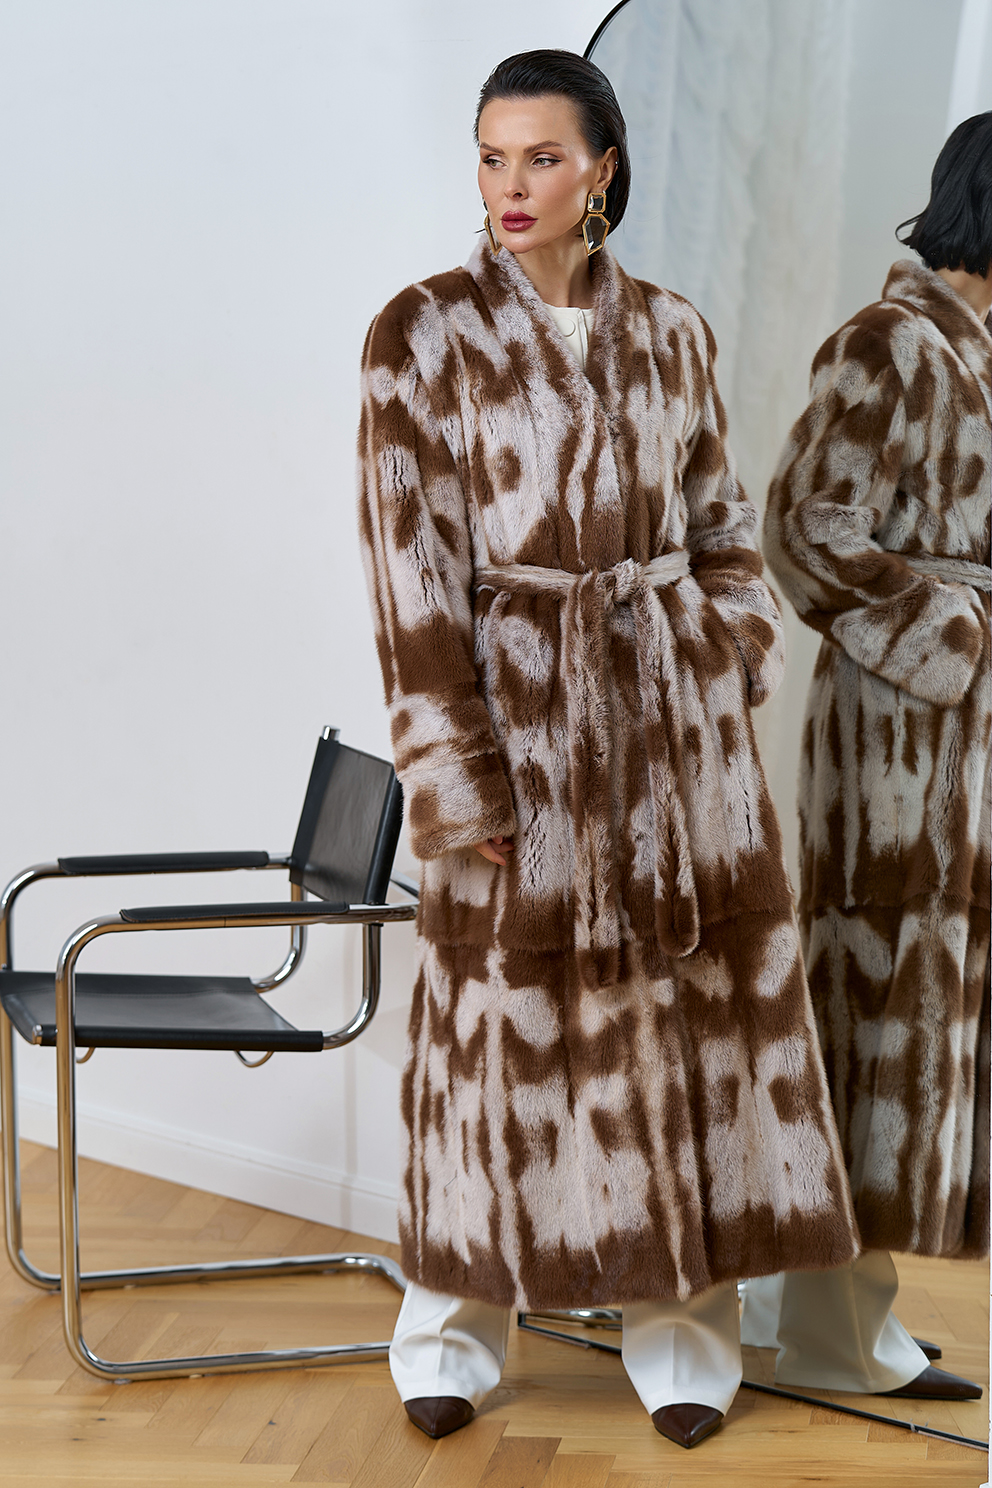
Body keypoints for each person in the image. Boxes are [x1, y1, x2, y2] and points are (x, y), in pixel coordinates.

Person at [357, 49, 858, 1451]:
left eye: (541, 158)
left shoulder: (674, 333)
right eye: (491, 157)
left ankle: (684, 1336)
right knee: (491, 1037)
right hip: (516, 733)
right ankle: (450, 1329)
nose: (510, 186)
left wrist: (725, 652)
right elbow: (410, 578)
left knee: (681, 1032)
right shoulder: (422, 335)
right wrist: (458, 771)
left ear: (602, 171)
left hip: (677, 747)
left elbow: (723, 528)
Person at [751, 111, 992, 1402]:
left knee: (925, 1021)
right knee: (874, 1015)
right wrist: (957, 636)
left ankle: (840, 1314)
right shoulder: (889, 343)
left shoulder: (979, 355)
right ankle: (832, 1331)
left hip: (964, 745)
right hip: (899, 746)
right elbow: (804, 529)